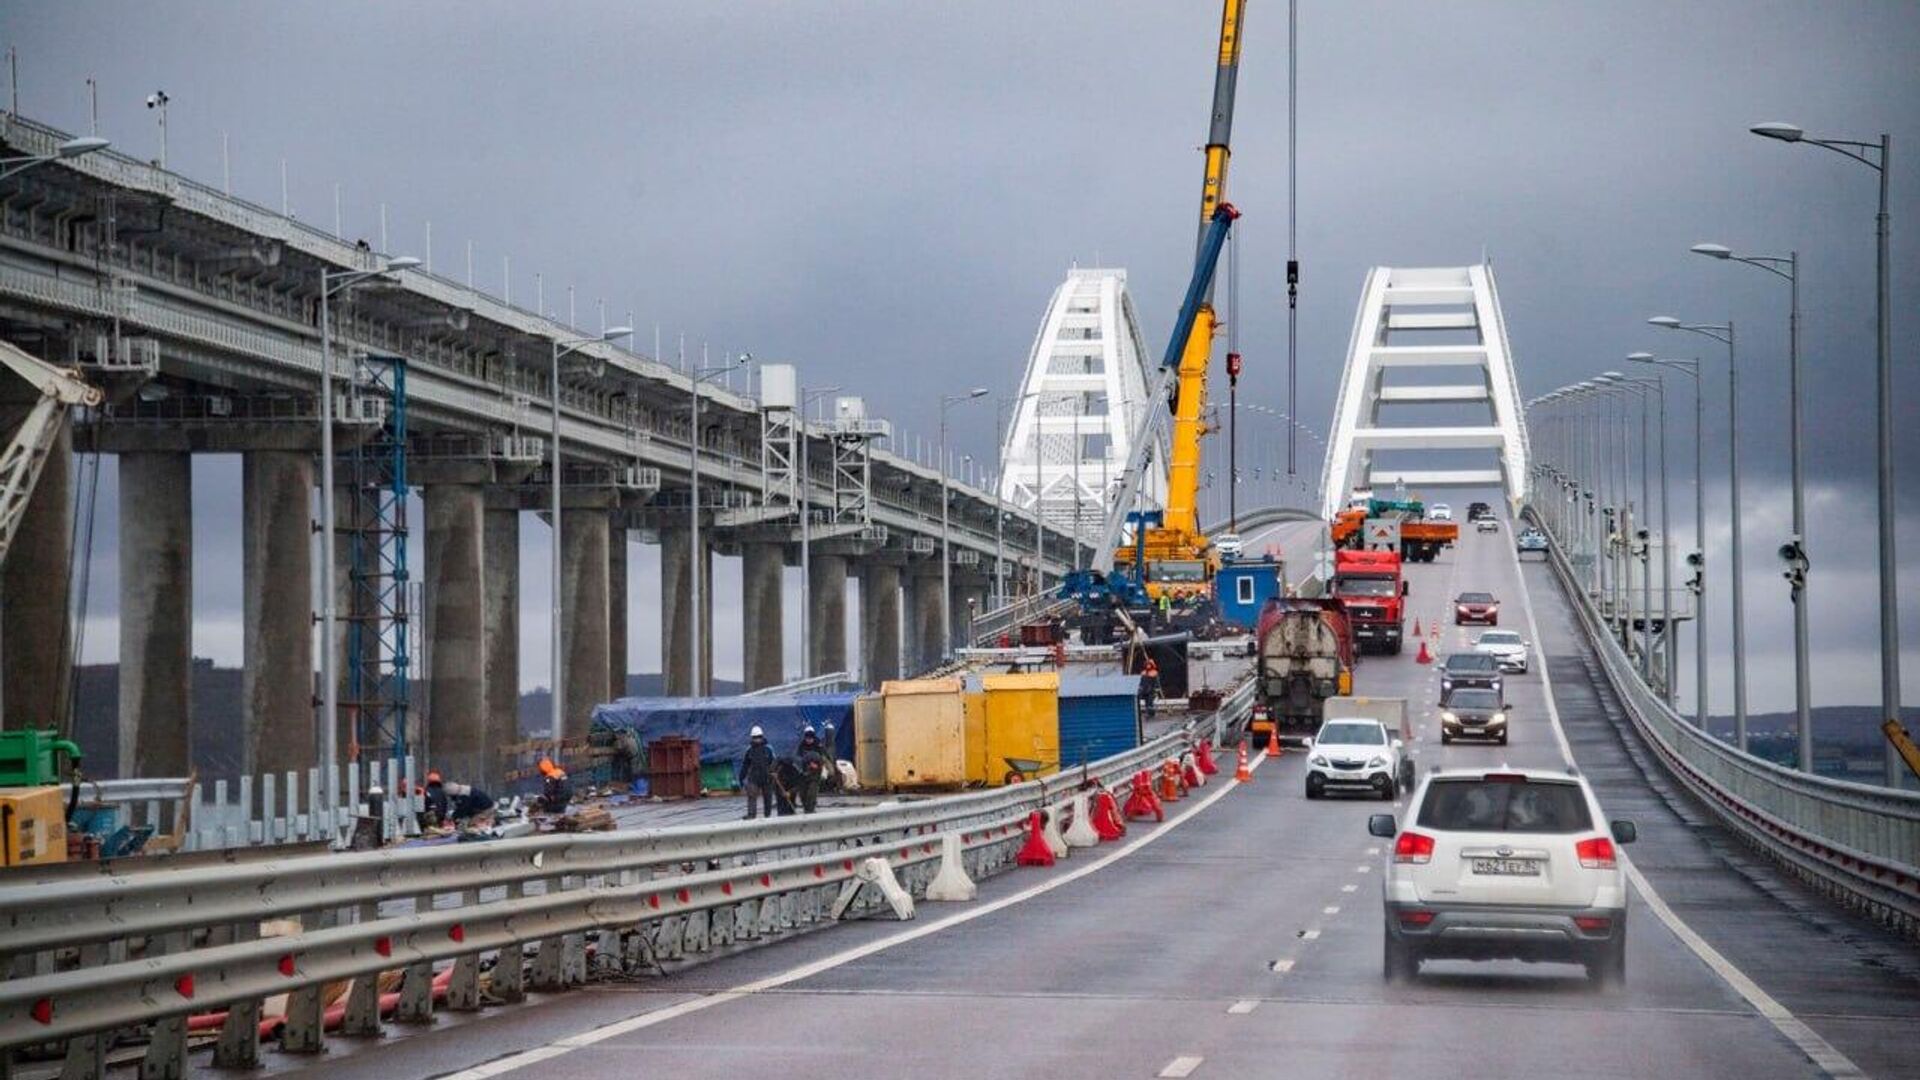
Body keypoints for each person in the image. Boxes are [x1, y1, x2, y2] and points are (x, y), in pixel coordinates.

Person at [738, 725, 775, 820]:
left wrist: (773, 772)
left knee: (768, 798)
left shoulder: (768, 749)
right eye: (755, 738)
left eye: (758, 737)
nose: (757, 739)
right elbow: (745, 765)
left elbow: (774, 761)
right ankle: (751, 815)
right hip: (754, 778)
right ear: (752, 738)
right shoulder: (749, 750)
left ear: (762, 736)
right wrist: (741, 778)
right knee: (751, 796)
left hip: (767, 777)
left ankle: (767, 815)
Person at [795, 726, 829, 814]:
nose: (809, 740)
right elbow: (797, 757)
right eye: (807, 738)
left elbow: (824, 757)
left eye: (810, 738)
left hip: (815, 774)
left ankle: (811, 810)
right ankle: (806, 809)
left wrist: (818, 765)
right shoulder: (802, 745)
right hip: (804, 773)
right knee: (803, 794)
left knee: (811, 793)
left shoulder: (819, 745)